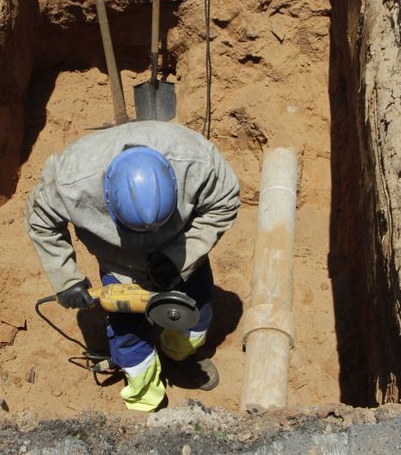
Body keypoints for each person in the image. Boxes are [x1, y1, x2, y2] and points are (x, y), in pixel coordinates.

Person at [24, 120, 240, 412]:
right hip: (120, 264)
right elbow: (41, 222)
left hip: (183, 252)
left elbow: (225, 203)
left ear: (175, 182)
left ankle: (180, 355)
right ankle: (145, 397)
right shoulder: (69, 181)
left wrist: (180, 259)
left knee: (196, 312)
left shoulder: (197, 161)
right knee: (129, 338)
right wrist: (65, 278)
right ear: (107, 200)